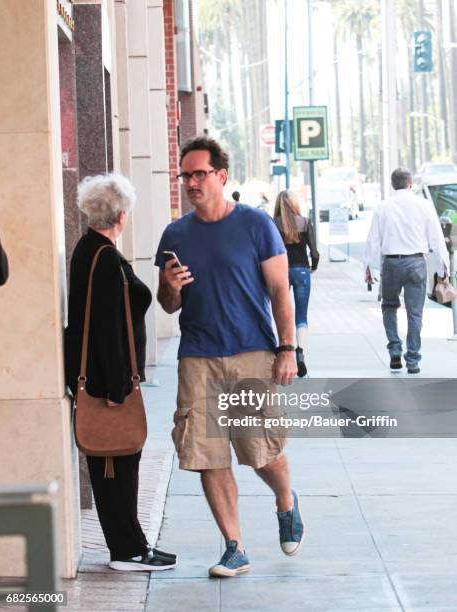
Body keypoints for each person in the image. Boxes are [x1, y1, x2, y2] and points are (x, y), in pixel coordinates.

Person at [155, 136, 304, 578]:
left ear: (221, 176)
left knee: (261, 453)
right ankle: (233, 546)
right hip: (198, 356)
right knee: (208, 455)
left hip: (250, 354)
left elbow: (281, 291)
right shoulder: (175, 234)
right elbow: (166, 305)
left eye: (199, 173)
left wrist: (287, 349)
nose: (191, 182)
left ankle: (286, 500)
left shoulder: (256, 225)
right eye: (186, 175)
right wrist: (171, 286)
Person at [65, 173, 176, 572]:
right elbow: (108, 329)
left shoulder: (90, 249)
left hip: (104, 379)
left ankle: (132, 545)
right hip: (107, 383)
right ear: (122, 215)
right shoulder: (106, 258)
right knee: (118, 465)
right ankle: (127, 550)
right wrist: (116, 388)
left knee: (122, 465)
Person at [364, 167, 449, 374]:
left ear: (394, 185)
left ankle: (394, 349)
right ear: (410, 184)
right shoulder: (424, 206)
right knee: (415, 313)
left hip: (391, 264)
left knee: (389, 307)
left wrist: (369, 268)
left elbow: (374, 240)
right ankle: (413, 359)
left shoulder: (383, 207)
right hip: (416, 263)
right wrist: (442, 268)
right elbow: (436, 240)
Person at [274, 190, 319, 377]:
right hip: (301, 270)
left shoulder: (273, 224)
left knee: (280, 312)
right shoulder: (305, 222)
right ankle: (300, 351)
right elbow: (314, 252)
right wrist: (313, 266)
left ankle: (284, 349)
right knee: (301, 315)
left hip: (281, 271)